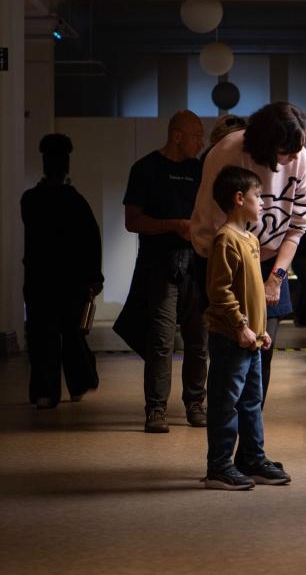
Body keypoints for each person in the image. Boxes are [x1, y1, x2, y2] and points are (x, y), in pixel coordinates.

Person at [191, 101, 306, 408]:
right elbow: (214, 230)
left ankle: (252, 426)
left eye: (299, 148)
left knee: (262, 350)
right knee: (229, 349)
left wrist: (276, 278)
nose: (296, 157)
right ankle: (224, 423)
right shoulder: (227, 153)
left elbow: (297, 226)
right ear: (268, 146)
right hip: (223, 258)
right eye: (288, 150)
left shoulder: (299, 156)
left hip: (271, 258)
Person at [114, 111, 208, 433]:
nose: (201, 142)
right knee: (161, 340)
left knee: (198, 339)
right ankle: (156, 409)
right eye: (196, 136)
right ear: (177, 136)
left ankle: (195, 403)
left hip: (196, 265)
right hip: (159, 266)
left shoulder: (200, 171)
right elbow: (132, 221)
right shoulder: (145, 169)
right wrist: (174, 225)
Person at [203, 165, 290, 490]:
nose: (263, 202)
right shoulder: (226, 239)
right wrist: (240, 326)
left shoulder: (251, 239)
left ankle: (252, 457)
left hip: (251, 340)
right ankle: (219, 466)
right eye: (258, 196)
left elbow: (253, 293)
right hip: (231, 338)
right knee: (226, 403)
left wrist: (260, 329)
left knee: (251, 401)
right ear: (239, 199)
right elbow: (220, 292)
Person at [21, 133, 103, 409]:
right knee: (73, 334)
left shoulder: (30, 200)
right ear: (66, 164)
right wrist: (95, 277)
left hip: (39, 279)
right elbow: (92, 241)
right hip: (72, 280)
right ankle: (78, 383)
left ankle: (45, 391)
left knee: (42, 335)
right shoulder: (75, 201)